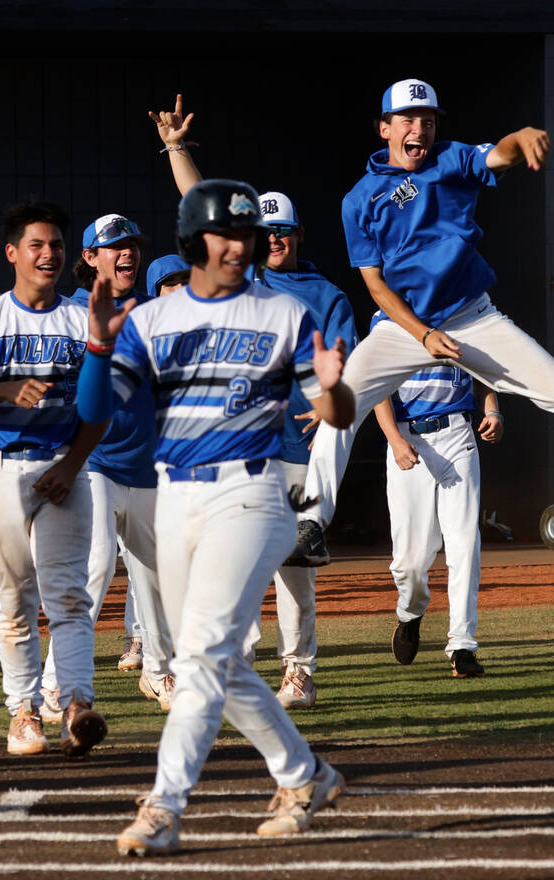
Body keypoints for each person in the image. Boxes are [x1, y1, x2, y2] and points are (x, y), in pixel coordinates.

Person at [78, 178, 352, 857]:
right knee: (219, 660)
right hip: (175, 499)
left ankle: (164, 805)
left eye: (248, 236)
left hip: (253, 496)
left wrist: (336, 386)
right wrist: (95, 345)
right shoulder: (151, 320)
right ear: (192, 240)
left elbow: (337, 413)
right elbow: (93, 411)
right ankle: (305, 776)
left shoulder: (286, 313)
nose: (239, 246)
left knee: (198, 654)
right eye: (225, 234)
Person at [290, 78, 554, 568]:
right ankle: (312, 526)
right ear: (384, 129)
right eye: (407, 119)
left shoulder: (451, 158)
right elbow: (375, 286)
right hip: (403, 327)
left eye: (428, 119)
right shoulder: (359, 201)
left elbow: (500, 155)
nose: (419, 127)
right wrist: (421, 334)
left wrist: (520, 135)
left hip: (470, 316)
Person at [0, 199, 108, 756]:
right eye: (36, 245)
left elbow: (99, 407)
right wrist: (4, 391)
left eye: (57, 246)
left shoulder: (81, 316)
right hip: (0, 468)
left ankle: (76, 706)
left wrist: (71, 464)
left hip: (63, 466)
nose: (48, 254)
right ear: (12, 252)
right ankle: (22, 712)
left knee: (68, 596)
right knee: (15, 599)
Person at [36, 213, 175, 717]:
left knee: (158, 578)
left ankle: (159, 672)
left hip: (147, 466)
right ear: (90, 258)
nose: (128, 253)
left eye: (133, 245)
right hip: (91, 463)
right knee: (92, 569)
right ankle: (56, 683)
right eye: (115, 245)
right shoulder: (70, 315)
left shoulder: (152, 314)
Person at [255, 191, 358, 709]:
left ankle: (299, 671)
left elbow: (348, 367)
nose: (274, 239)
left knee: (295, 563)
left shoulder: (326, 295)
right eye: (265, 231)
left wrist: (327, 403)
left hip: (300, 441)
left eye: (282, 230)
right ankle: (239, 665)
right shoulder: (240, 285)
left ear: (297, 235)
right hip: (248, 449)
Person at [373, 356, 500, 678]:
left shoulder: (466, 310)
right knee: (409, 561)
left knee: (464, 544)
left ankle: (463, 646)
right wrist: (394, 439)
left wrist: (492, 410)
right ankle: (410, 611)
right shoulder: (388, 318)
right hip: (407, 437)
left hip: (458, 433)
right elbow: (379, 387)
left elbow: (482, 368)